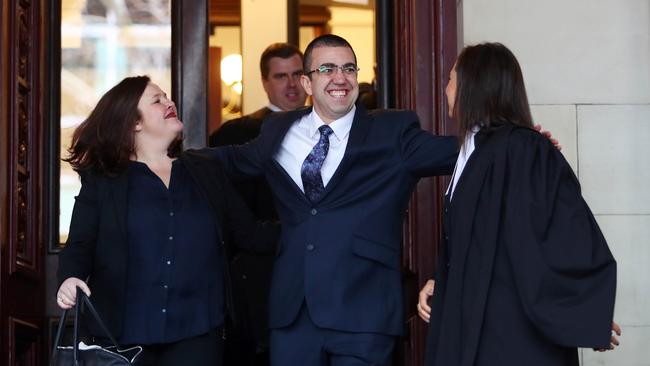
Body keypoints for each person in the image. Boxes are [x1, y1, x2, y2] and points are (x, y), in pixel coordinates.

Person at [210, 34, 459, 366]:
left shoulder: (392, 132)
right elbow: (227, 162)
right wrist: (157, 158)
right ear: (307, 82)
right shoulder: (278, 130)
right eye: (327, 69)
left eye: (349, 68)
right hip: (294, 316)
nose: (340, 78)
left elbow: (461, 153)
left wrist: (521, 143)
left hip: (363, 314)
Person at [417, 42, 619, 366]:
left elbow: (555, 234)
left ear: (474, 85)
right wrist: (441, 278)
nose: (445, 88)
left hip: (511, 336)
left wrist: (580, 313)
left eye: (452, 79)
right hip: (472, 328)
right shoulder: (471, 153)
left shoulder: (524, 150)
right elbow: (475, 242)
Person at [56, 76, 278, 366]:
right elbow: (80, 244)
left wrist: (319, 227)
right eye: (157, 100)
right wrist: (70, 278)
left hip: (199, 332)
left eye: (167, 97)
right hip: (122, 336)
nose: (169, 102)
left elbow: (251, 234)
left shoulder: (205, 171)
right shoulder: (104, 180)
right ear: (134, 123)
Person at [209, 43, 307, 366]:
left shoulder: (335, 130)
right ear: (264, 82)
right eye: (281, 76)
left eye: (297, 74)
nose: (291, 85)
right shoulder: (236, 135)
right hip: (260, 273)